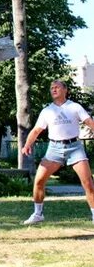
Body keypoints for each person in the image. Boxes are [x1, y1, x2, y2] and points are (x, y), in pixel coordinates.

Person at [22, 80, 94, 225]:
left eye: (57, 87)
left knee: (88, 183)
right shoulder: (47, 111)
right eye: (51, 88)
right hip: (54, 149)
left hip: (74, 147)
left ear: (65, 90)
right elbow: (36, 130)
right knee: (39, 181)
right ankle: (37, 214)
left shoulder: (74, 107)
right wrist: (27, 145)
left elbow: (89, 122)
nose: (53, 90)